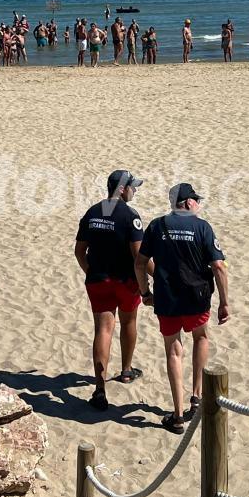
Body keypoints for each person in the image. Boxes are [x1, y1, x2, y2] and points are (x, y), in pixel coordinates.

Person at [135, 183, 229, 433]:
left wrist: (145, 292)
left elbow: (140, 263)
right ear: (188, 203)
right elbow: (218, 266)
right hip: (197, 297)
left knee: (174, 351)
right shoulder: (202, 227)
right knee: (201, 337)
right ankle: (196, 396)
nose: (198, 204)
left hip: (167, 298)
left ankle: (177, 415)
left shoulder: (157, 225)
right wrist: (225, 302)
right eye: (195, 200)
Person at [75, 170, 150, 411]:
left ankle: (99, 388)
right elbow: (139, 256)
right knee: (128, 322)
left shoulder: (93, 212)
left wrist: (90, 271)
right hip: (125, 281)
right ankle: (126, 370)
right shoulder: (130, 216)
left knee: (103, 329)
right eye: (132, 186)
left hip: (98, 280)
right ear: (122, 189)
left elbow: (79, 251)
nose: (134, 190)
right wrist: (155, 278)